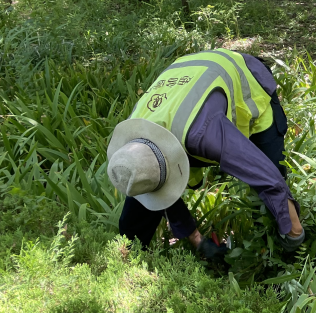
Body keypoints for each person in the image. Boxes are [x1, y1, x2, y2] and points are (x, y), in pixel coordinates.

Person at [106, 48, 305, 265]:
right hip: (192, 75)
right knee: (137, 209)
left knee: (272, 174)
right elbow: (159, 190)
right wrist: (199, 241)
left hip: (245, 77)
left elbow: (267, 178)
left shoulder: (204, 135)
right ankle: (128, 265)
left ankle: (276, 257)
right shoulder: (135, 147)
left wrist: (295, 235)